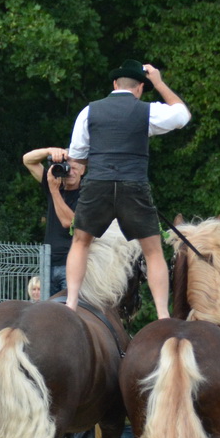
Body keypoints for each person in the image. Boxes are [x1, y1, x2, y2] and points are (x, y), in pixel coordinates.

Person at [61, 60, 191, 318]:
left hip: (97, 185)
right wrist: (159, 83)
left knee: (81, 242)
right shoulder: (147, 111)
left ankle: (71, 304)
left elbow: (76, 156)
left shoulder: (89, 111)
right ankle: (163, 314)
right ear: (140, 87)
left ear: (114, 84)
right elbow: (182, 116)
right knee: (152, 251)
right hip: (134, 186)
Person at [22, 146, 81, 295]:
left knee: (69, 308)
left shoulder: (87, 194)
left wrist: (54, 191)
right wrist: (51, 151)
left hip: (71, 265)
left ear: (83, 170)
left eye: (74, 168)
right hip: (48, 263)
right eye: (67, 168)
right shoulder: (54, 184)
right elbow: (27, 160)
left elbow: (69, 222)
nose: (70, 172)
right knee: (47, 309)